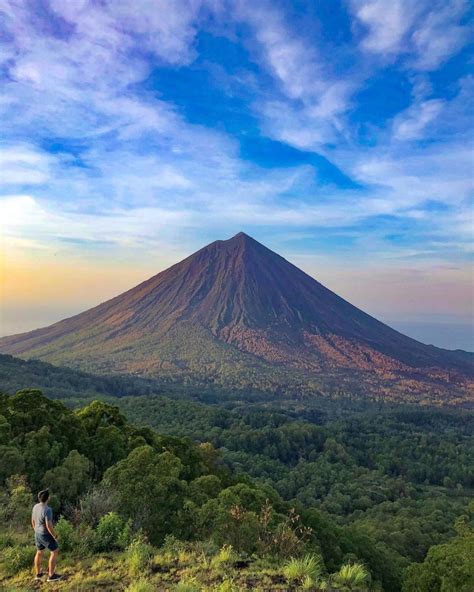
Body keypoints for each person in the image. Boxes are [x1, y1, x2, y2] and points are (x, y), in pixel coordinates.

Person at [31, 489, 62, 582]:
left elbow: (32, 520)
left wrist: (36, 530)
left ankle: (38, 574)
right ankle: (51, 576)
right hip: (45, 534)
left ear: (39, 498)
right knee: (54, 551)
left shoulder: (35, 506)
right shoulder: (48, 510)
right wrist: (55, 536)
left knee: (39, 552)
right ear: (48, 498)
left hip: (37, 533)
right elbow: (48, 525)